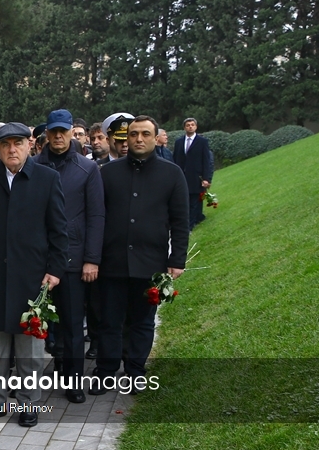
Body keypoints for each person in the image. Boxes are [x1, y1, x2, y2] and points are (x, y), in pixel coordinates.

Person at [0, 123, 68, 428]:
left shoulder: (47, 178)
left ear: (30, 144)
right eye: (5, 144)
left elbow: (58, 230)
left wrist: (55, 269)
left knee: (30, 350)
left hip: (32, 277)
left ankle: (29, 403)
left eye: (18, 143)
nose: (11, 149)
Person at [93, 116, 188, 392]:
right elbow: (97, 216)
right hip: (112, 262)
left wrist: (177, 260)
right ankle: (106, 371)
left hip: (151, 263)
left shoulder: (172, 174)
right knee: (109, 321)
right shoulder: (108, 173)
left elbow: (180, 221)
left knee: (142, 322)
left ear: (155, 137)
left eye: (145, 134)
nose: (138, 139)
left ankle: (135, 370)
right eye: (133, 134)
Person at [33, 109, 104, 403]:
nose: (59, 137)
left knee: (74, 325)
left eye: (64, 131)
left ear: (71, 132)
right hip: (38, 259)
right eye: (54, 132)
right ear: (46, 134)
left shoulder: (87, 169)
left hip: (74, 261)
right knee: (35, 324)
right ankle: (32, 380)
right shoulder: (33, 165)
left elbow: (96, 216)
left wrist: (92, 258)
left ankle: (73, 380)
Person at [172, 117, 213, 230]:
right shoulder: (179, 142)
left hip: (196, 177)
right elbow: (176, 159)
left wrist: (206, 178)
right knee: (185, 200)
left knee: (195, 201)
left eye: (192, 125)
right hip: (183, 176)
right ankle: (189, 220)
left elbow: (206, 161)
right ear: (184, 127)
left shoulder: (202, 142)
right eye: (188, 125)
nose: (190, 126)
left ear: (196, 127)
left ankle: (190, 225)